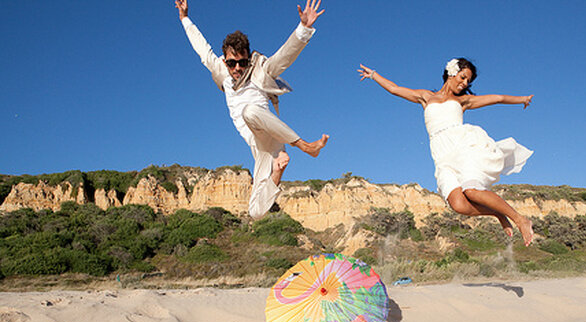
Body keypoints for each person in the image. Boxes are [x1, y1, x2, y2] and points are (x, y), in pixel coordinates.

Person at [175, 0, 328, 218]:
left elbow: (283, 57)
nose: (237, 68)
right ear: (225, 60)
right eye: (231, 63)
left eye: (242, 62)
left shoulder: (260, 69)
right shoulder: (220, 69)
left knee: (250, 111)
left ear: (248, 59)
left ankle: (306, 146)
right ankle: (278, 171)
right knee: (255, 212)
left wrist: (303, 30)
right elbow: (202, 48)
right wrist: (184, 18)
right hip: (260, 144)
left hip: (268, 127)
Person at [358, 59, 535, 246]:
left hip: (463, 147)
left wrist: (522, 100)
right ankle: (497, 212)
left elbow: (498, 98)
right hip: (441, 155)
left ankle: (520, 219)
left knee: (472, 191)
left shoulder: (462, 101)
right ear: (452, 72)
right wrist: (373, 75)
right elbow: (395, 89)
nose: (465, 83)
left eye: (468, 81)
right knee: (458, 204)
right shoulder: (426, 97)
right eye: (463, 77)